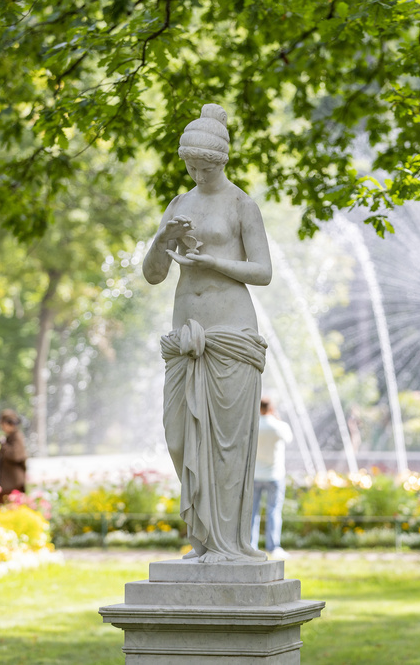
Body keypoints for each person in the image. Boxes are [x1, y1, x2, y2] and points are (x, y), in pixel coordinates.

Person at [142, 103, 272, 563]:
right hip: (185, 336)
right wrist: (162, 241)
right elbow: (153, 275)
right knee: (179, 437)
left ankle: (225, 545)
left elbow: (263, 271)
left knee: (226, 447)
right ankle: (202, 535)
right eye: (191, 166)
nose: (198, 174)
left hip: (231, 333)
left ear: (221, 161)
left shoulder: (241, 205)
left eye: (205, 167)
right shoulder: (179, 204)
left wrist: (214, 261)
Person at [251, 397, 293, 559]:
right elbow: (289, 439)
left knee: (252, 513)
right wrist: (278, 418)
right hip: (274, 475)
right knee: (274, 511)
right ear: (271, 408)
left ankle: (251, 545)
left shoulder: (253, 425)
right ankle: (274, 546)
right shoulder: (279, 426)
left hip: (255, 474)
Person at [0, 409, 27, 502]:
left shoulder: (17, 437)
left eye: (3, 424)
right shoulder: (9, 437)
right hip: (6, 482)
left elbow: (16, 456)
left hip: (13, 483)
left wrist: (4, 445)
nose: (2, 427)